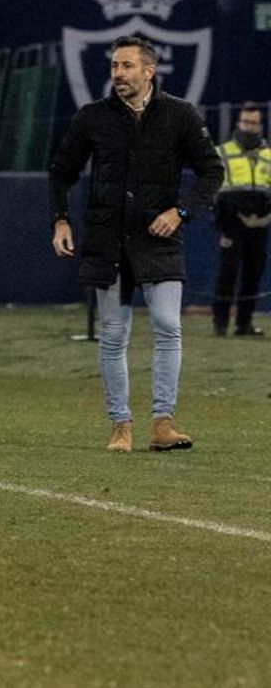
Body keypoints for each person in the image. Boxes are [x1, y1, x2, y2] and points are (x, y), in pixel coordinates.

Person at [49, 35, 223, 453]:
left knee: (168, 326)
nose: (118, 74)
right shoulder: (92, 117)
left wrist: (179, 212)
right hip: (108, 240)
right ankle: (120, 426)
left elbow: (211, 172)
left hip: (159, 239)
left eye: (127, 66)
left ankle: (163, 423)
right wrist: (59, 221)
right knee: (113, 334)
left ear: (149, 71)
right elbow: (61, 172)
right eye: (113, 66)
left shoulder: (180, 114)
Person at [212, 104, 271, 337]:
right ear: (238, 123)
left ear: (261, 125)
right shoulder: (222, 152)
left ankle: (244, 324)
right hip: (232, 224)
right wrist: (225, 222)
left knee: (253, 275)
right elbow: (212, 192)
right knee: (227, 274)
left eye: (254, 123)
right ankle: (220, 323)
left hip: (261, 224)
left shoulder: (268, 156)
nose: (249, 127)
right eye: (245, 122)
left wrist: (264, 215)